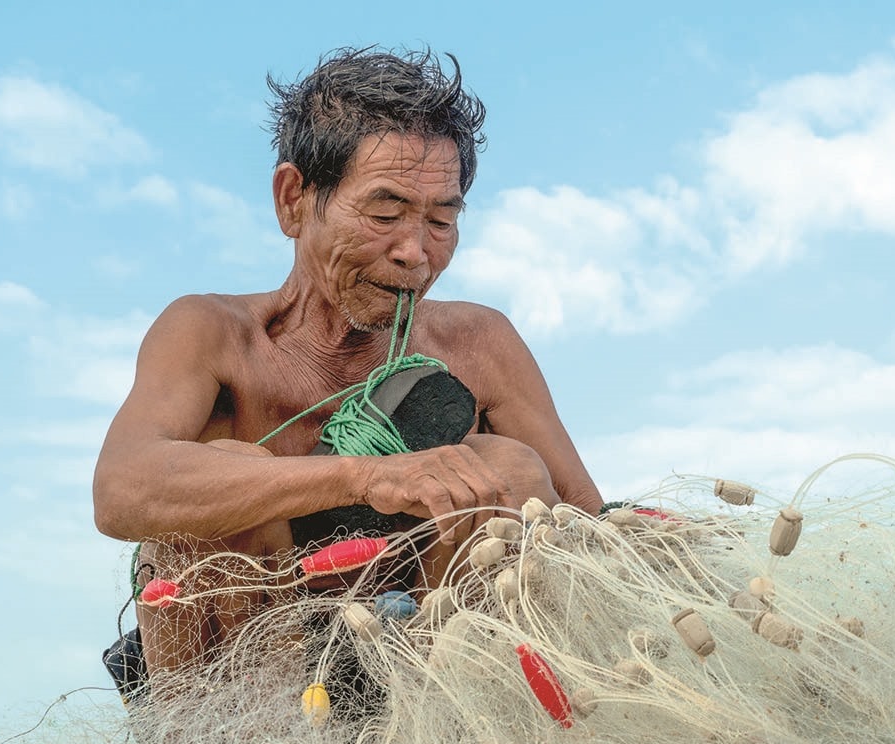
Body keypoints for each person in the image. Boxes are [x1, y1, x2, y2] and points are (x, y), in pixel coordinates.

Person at [92, 48, 603, 694]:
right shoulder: (211, 334)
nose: (416, 252)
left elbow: (589, 526)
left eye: (442, 220)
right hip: (241, 694)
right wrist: (367, 476)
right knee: (216, 495)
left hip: (420, 680)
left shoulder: (481, 342)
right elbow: (119, 488)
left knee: (510, 473)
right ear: (294, 201)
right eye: (385, 214)